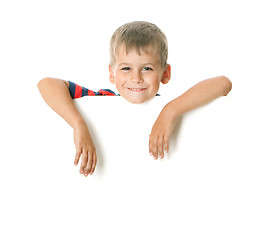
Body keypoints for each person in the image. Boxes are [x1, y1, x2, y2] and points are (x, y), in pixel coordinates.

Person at [37, 21, 232, 177]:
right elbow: (46, 83)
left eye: (147, 68)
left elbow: (223, 84)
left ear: (165, 73)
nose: (136, 78)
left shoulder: (170, 104)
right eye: (126, 68)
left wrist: (169, 111)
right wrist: (78, 124)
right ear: (112, 74)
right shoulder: (102, 97)